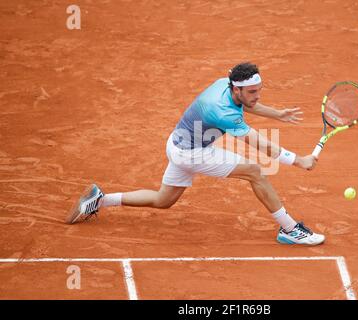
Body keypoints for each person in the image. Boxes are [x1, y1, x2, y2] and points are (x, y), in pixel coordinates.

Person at [66, 62, 325, 245]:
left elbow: (248, 105)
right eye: (252, 91)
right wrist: (298, 161)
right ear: (236, 89)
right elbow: (259, 144)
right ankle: (290, 229)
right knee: (256, 172)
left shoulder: (225, 84)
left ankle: (100, 200)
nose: (257, 95)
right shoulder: (222, 111)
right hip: (192, 152)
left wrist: (276, 114)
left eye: (260, 89)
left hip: (178, 144)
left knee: (163, 200)